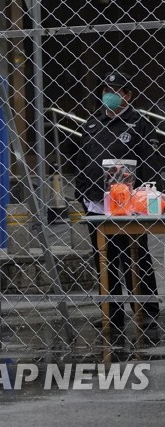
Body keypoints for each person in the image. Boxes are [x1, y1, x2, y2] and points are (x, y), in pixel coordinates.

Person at [72, 70, 162, 342]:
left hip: (128, 206)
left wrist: (147, 199)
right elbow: (80, 160)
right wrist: (81, 192)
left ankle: (146, 310)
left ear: (128, 95)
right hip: (97, 204)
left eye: (116, 91)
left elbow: (150, 164)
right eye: (105, 92)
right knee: (104, 259)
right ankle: (111, 312)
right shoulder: (92, 125)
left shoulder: (139, 125)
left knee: (135, 257)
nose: (109, 96)